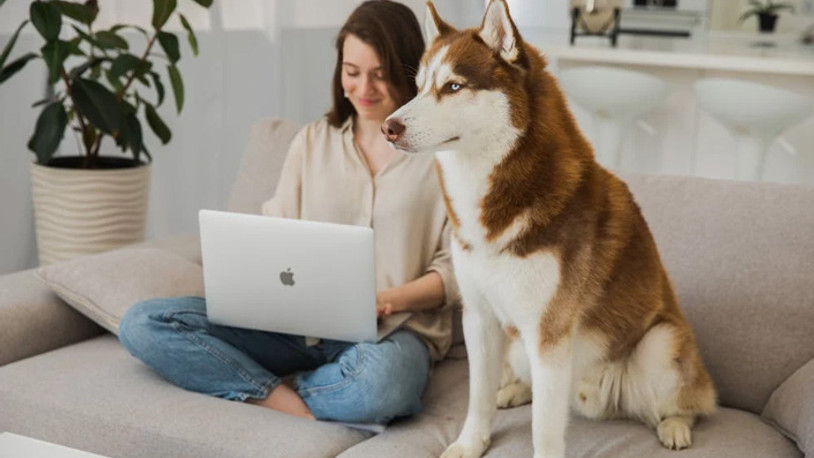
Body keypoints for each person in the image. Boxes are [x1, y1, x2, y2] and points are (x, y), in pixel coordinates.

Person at [118, 0, 460, 425]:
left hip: (393, 334)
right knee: (143, 323)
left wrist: (385, 301)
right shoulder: (312, 142)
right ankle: (283, 398)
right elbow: (275, 234)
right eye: (352, 72)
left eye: (380, 74)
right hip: (296, 328)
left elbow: (456, 271)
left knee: (381, 386)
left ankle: (279, 391)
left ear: (410, 72)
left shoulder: (444, 159)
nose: (364, 89)